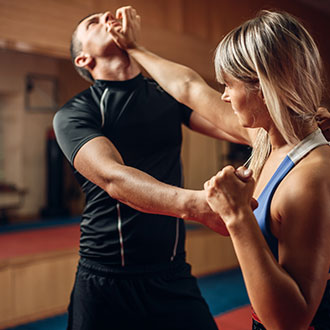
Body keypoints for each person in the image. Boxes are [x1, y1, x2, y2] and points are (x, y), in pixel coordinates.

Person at [110, 7, 330, 330]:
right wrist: (133, 48)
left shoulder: (310, 176)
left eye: (228, 84)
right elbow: (189, 89)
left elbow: (291, 322)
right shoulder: (267, 139)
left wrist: (237, 216)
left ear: (264, 85)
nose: (223, 96)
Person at [53, 8, 256, 330]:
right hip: (106, 276)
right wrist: (200, 205)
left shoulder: (165, 96)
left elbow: (240, 128)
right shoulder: (75, 113)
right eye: (93, 23)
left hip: (171, 272)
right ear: (83, 60)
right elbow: (112, 178)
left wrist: (295, 123)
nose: (107, 18)